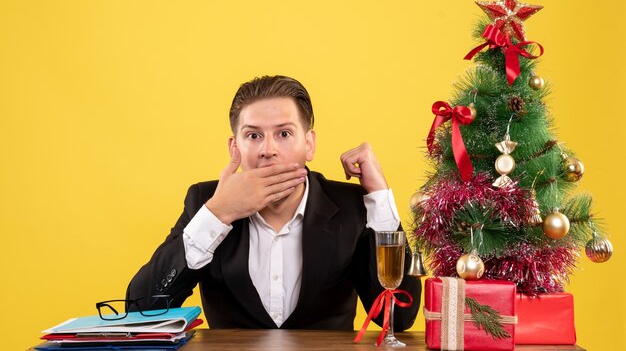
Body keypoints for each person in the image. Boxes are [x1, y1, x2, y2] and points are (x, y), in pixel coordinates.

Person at [126, 75, 421, 330]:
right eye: (253, 135)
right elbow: (141, 310)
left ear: (309, 144)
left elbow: (400, 317)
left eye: (284, 134)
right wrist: (218, 214)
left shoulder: (351, 206)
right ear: (235, 147)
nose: (268, 150)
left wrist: (379, 196)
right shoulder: (206, 202)